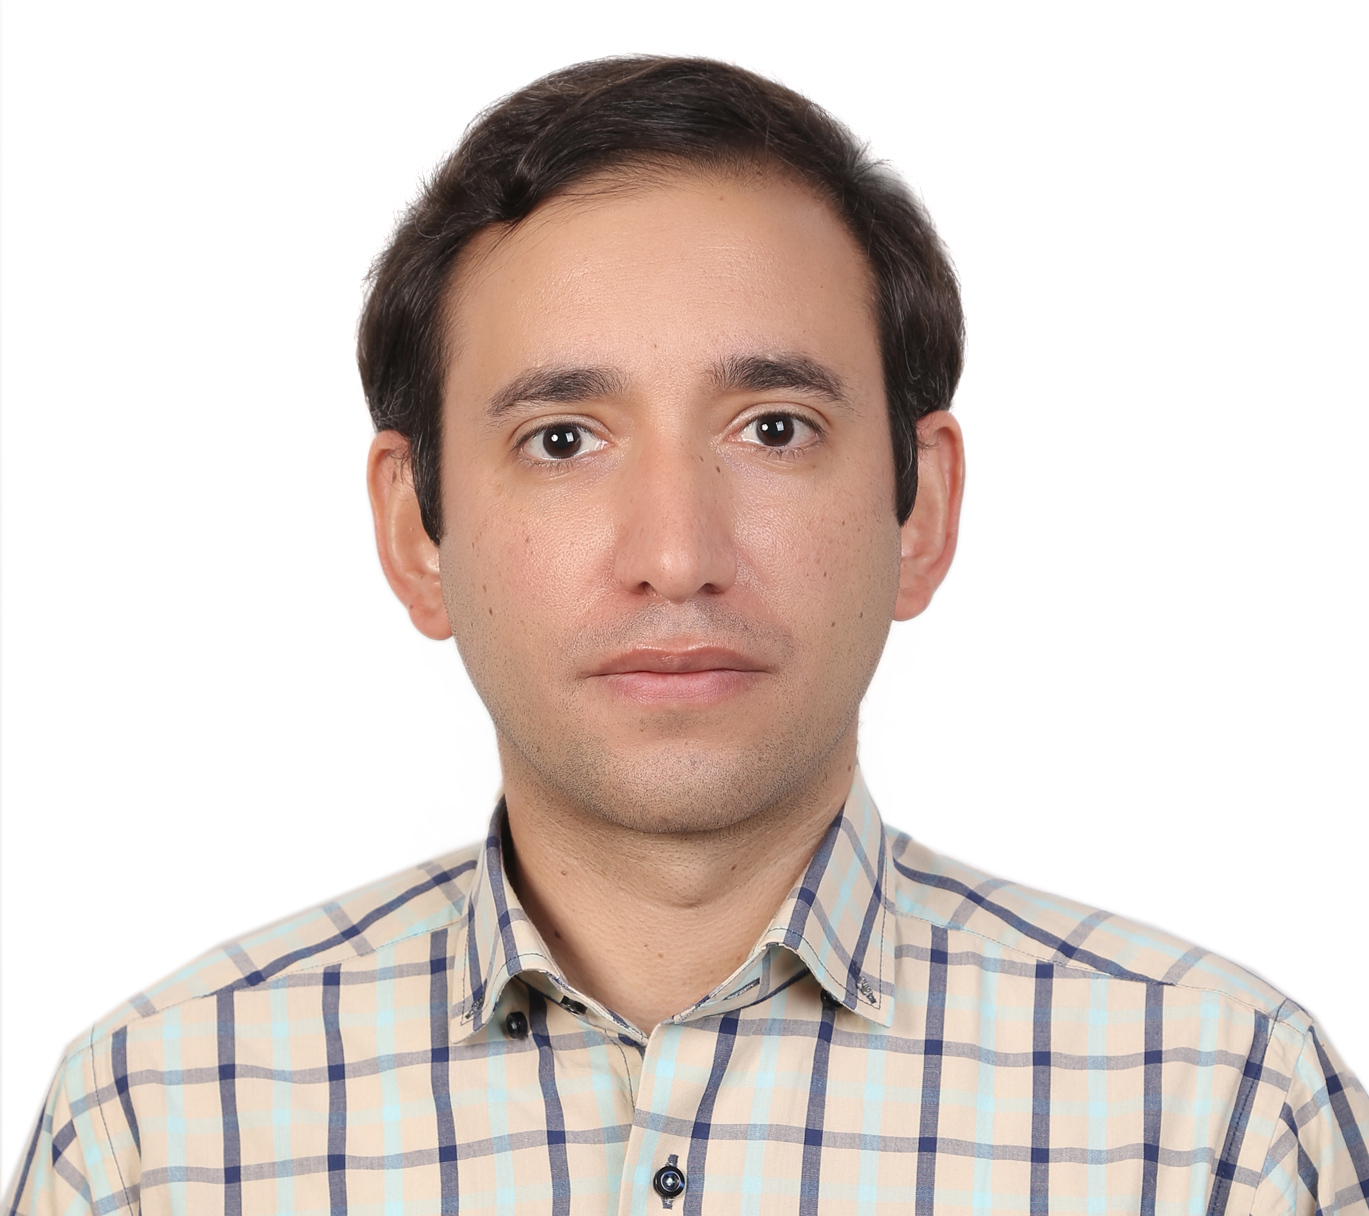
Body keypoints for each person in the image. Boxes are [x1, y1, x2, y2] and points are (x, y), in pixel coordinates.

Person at [6, 55, 1365, 1216]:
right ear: (417, 532)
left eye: (774, 429)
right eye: (562, 439)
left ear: (921, 510)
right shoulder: (156, 1134)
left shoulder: (1219, 1119)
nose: (675, 554)